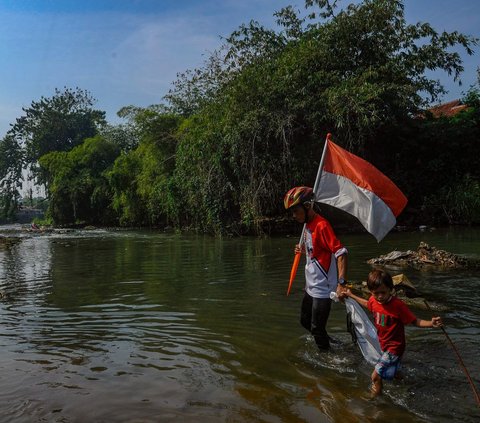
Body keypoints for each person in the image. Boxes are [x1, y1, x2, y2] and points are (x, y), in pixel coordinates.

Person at [345, 268, 443, 397]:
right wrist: (351, 295)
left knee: (375, 376)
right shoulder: (374, 301)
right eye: (376, 293)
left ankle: (375, 398)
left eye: (383, 292)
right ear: (371, 292)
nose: (380, 296)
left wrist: (431, 323)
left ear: (391, 289)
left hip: (395, 347)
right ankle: (408, 385)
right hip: (384, 344)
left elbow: (414, 321)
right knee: (395, 372)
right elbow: (368, 304)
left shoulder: (398, 306)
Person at [284, 186, 348, 351]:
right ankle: (335, 345)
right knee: (305, 322)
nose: (294, 215)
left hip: (323, 288)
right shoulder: (307, 225)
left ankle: (330, 360)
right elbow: (317, 252)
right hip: (311, 286)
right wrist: (303, 250)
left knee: (316, 329)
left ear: (307, 206)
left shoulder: (321, 225)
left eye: (296, 211)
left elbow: (341, 252)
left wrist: (341, 283)